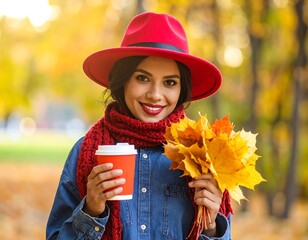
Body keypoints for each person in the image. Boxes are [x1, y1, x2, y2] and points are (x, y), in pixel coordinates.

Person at [46, 12, 233, 240]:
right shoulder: (87, 151)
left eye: (170, 82)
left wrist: (211, 225)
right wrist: (91, 210)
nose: (155, 95)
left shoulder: (202, 155)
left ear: (181, 89)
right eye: (142, 78)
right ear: (123, 80)